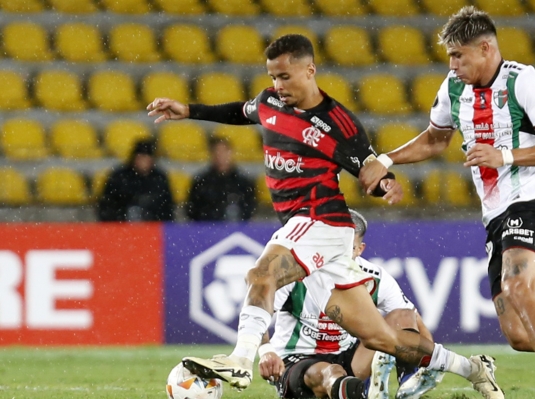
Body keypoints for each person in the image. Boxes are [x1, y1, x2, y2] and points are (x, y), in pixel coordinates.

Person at [147, 34, 502, 399]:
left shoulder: (337, 123)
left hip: (321, 219)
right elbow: (240, 112)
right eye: (272, 76)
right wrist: (188, 110)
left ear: (309, 70)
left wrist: (386, 185)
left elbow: (369, 167)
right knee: (381, 337)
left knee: (261, 274)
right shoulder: (269, 102)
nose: (277, 86)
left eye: (285, 76)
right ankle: (473, 369)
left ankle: (240, 358)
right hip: (312, 232)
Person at [359, 7, 535, 399]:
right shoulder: (453, 87)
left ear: (485, 48)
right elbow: (435, 139)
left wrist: (505, 155)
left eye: (459, 55)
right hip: (495, 216)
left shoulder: (523, 82)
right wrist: (387, 159)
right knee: (518, 334)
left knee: (518, 289)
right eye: (449, 56)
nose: (453, 64)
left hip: (531, 201)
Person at [258, 210, 449, 399]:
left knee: (403, 316)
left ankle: (408, 389)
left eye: (346, 247)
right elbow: (259, 312)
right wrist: (266, 351)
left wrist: (432, 362)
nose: (337, 254)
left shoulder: (374, 277)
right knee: (331, 372)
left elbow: (413, 320)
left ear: (360, 249)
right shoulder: (293, 272)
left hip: (350, 356)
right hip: (297, 360)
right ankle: (351, 390)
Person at [98, 138, 174, 222]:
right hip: (122, 227)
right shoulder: (119, 177)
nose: (143, 162)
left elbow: (167, 208)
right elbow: (107, 205)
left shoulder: (159, 178)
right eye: (141, 158)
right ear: (134, 158)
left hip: (153, 228)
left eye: (146, 158)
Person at [186, 137, 257, 222]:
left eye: (224, 151)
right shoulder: (201, 182)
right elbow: (193, 212)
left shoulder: (244, 183)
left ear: (231, 153)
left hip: (236, 230)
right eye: (217, 151)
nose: (220, 155)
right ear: (211, 154)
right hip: (207, 229)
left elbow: (249, 210)